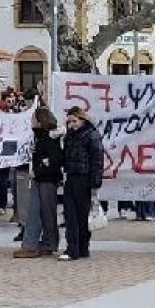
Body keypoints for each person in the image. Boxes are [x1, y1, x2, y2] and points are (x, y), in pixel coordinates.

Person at [14, 107, 63, 259]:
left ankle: (42, 243)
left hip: (47, 179)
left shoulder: (50, 138)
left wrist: (39, 169)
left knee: (45, 212)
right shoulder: (40, 137)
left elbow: (54, 160)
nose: (31, 122)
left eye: (34, 119)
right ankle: (37, 243)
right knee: (36, 211)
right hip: (40, 178)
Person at [61, 106, 104, 261]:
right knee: (70, 214)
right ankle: (73, 248)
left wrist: (95, 183)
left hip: (84, 178)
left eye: (74, 121)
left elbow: (97, 160)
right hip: (72, 176)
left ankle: (81, 247)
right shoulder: (70, 135)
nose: (72, 124)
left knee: (81, 215)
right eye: (70, 121)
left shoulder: (91, 135)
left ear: (82, 119)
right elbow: (64, 156)